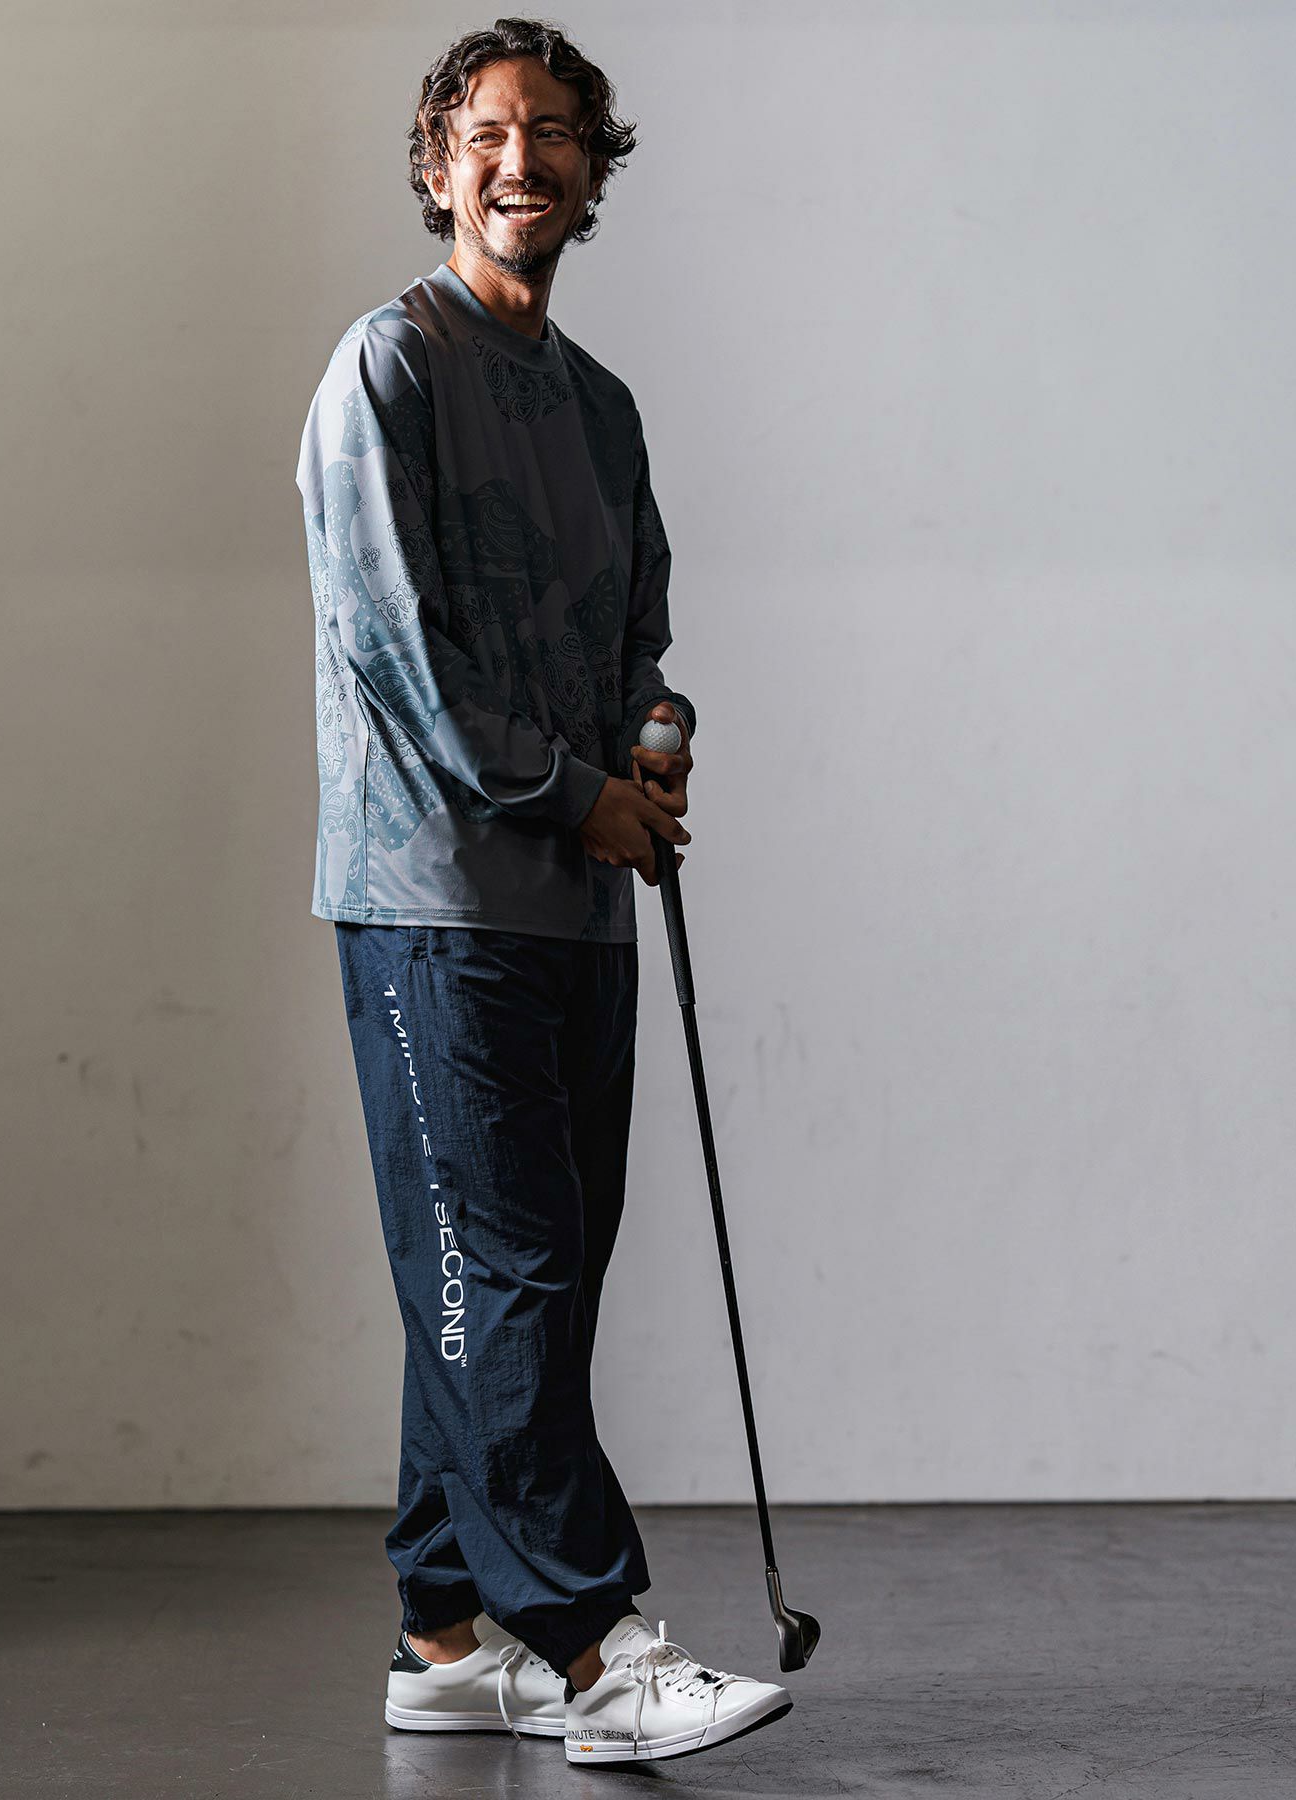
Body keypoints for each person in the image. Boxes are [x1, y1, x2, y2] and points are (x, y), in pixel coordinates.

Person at [295, 16, 792, 1766]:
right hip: (433, 906)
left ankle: (446, 1635)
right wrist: (582, 796)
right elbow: (398, 655)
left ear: (593, 169)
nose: (527, 161)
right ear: (440, 166)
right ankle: (594, 1651)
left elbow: (635, 634)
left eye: (559, 132)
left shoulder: (600, 407)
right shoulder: (390, 367)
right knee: (497, 1271)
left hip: (577, 903)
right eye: (492, 133)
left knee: (530, 1275)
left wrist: (653, 736)